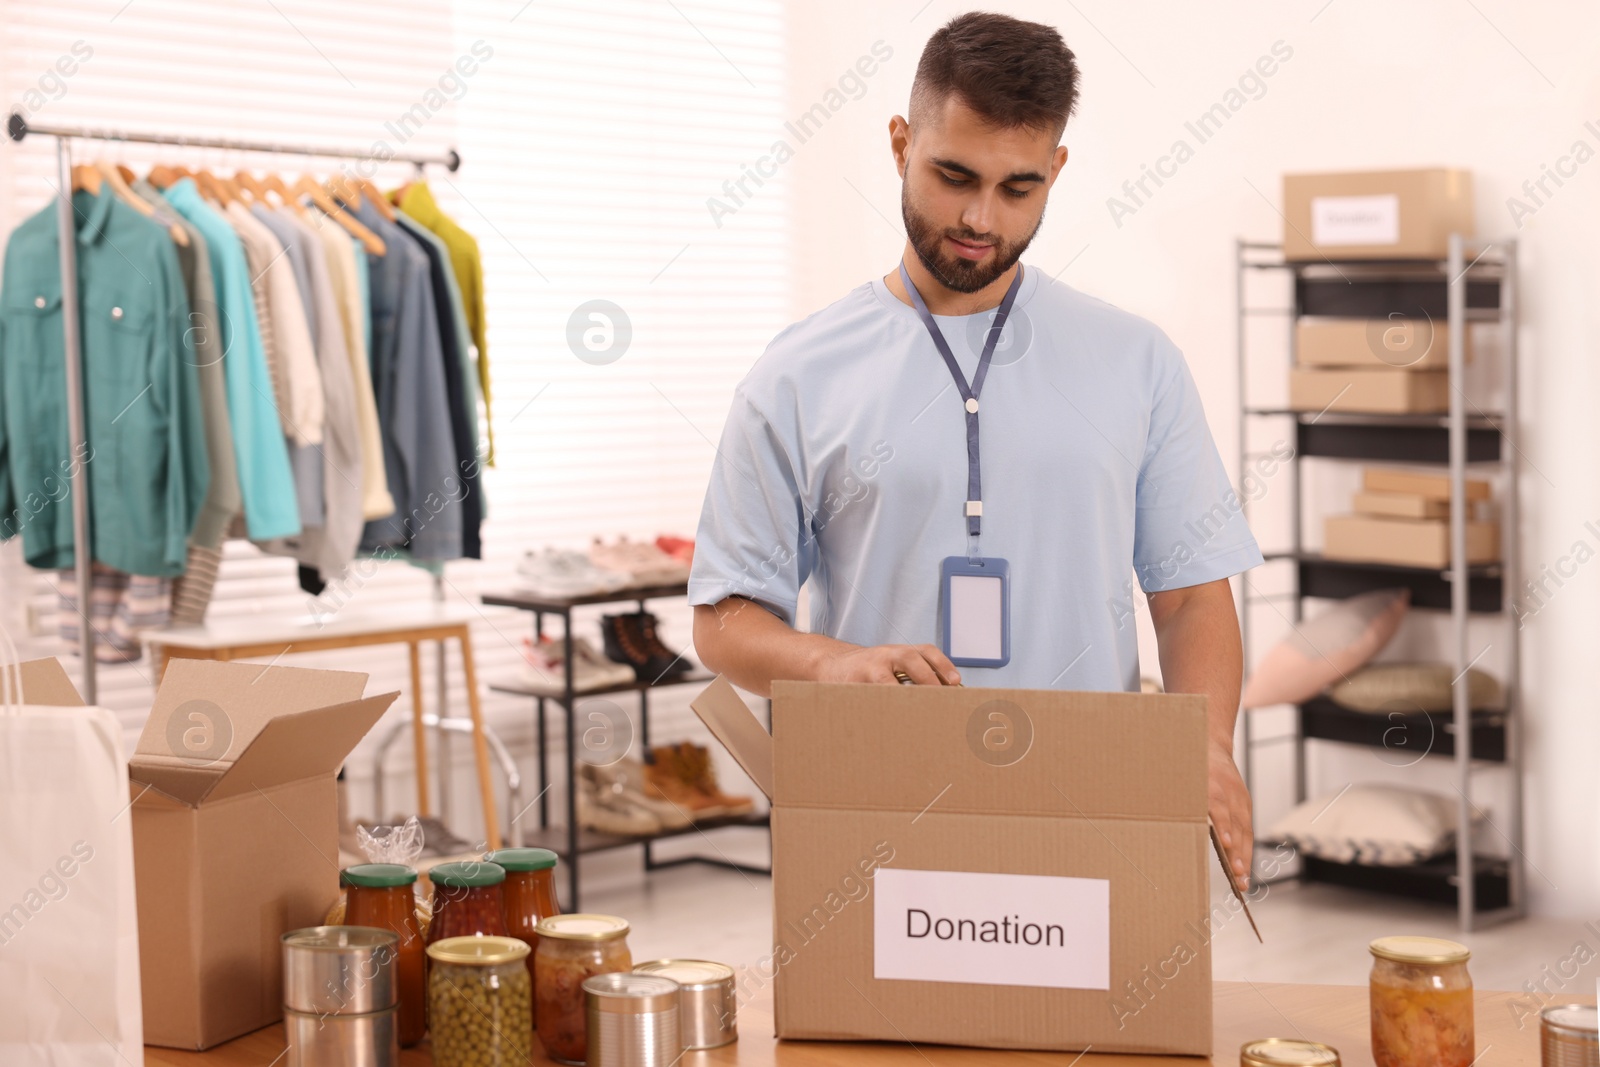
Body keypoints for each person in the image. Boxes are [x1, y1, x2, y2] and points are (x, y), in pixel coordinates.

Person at [686, 11, 1263, 890]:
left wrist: (1209, 747)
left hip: (1092, 813)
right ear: (899, 143)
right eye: (953, 175)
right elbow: (724, 621)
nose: (978, 218)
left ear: (1056, 170)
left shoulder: (1136, 361)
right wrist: (831, 662)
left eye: (1017, 188)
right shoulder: (797, 373)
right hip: (876, 817)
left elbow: (1189, 601)